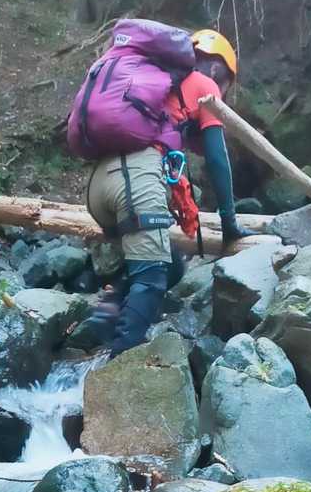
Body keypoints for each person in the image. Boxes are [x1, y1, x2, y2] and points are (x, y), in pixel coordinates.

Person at [80, 27, 251, 355]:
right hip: (135, 180)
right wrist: (229, 222)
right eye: (226, 85)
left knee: (171, 263)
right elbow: (217, 159)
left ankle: (106, 314)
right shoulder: (204, 84)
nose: (223, 94)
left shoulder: (157, 83)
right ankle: (117, 367)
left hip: (100, 185)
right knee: (152, 279)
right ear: (218, 68)